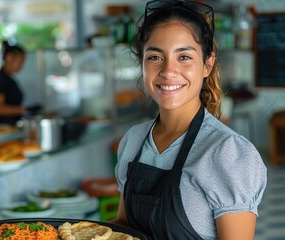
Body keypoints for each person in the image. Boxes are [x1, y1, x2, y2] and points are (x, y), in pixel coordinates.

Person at [113, 1, 267, 239]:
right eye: (155, 57)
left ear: (207, 64)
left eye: (183, 56)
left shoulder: (228, 154)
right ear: (141, 64)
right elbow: (122, 227)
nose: (168, 70)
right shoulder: (133, 141)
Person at [0, 41, 40, 125]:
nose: (22, 66)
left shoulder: (10, 79)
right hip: (4, 128)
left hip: (13, 126)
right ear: (9, 58)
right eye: (20, 62)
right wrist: (25, 110)